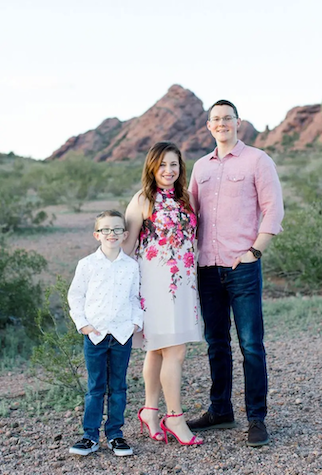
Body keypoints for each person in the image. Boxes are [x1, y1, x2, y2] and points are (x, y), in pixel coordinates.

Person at [187, 100, 284, 447]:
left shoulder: (258, 160)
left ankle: (256, 418)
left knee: (251, 345)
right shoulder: (200, 168)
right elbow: (189, 212)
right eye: (216, 119)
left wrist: (254, 252)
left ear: (237, 122)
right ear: (209, 126)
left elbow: (273, 209)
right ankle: (220, 411)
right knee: (216, 344)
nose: (222, 123)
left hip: (241, 267)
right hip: (208, 268)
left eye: (227, 118)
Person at [124, 141, 203, 446]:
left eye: (174, 165)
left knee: (158, 349)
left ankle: (150, 411)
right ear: (152, 168)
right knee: (175, 351)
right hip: (155, 285)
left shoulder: (188, 199)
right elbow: (128, 248)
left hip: (184, 284)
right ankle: (176, 417)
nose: (169, 171)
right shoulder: (144, 199)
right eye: (163, 165)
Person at [68, 210, 143, 457]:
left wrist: (135, 324)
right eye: (106, 229)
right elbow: (76, 296)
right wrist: (84, 325)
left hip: (122, 335)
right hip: (95, 335)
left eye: (117, 229)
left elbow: (135, 297)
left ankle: (116, 435)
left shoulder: (131, 266)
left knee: (119, 386)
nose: (112, 233)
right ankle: (90, 437)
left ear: (125, 234)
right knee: (95, 387)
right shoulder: (87, 264)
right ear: (97, 234)